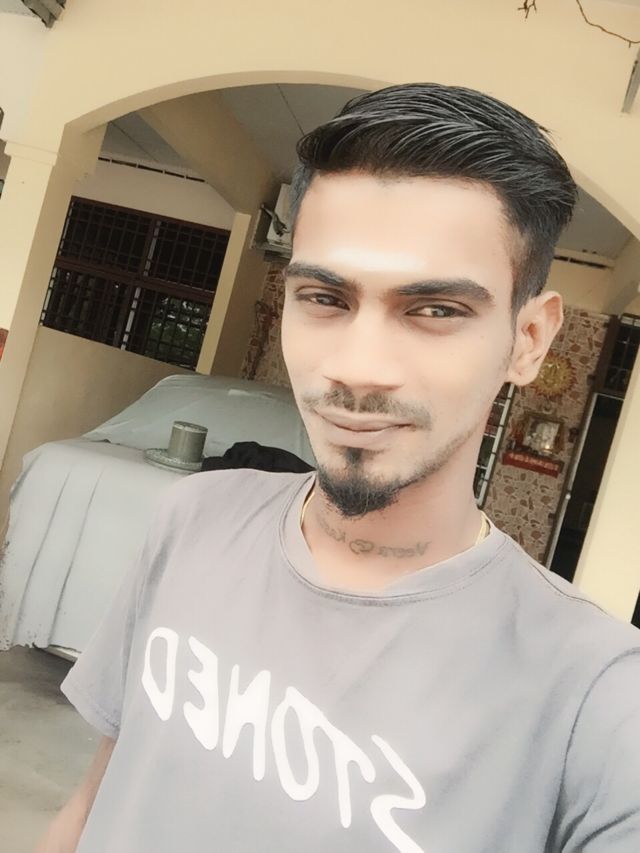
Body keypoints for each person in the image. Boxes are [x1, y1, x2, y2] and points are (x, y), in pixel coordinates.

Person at [38, 83, 640, 853]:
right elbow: (93, 802)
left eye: (435, 310)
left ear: (528, 339)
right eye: (325, 296)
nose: (358, 367)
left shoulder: (595, 693)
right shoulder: (194, 519)